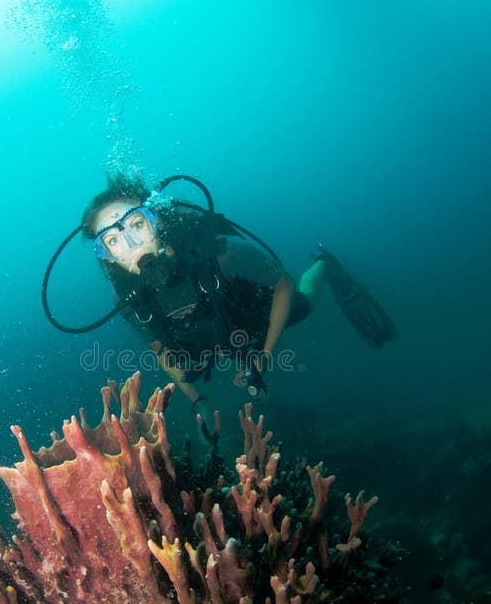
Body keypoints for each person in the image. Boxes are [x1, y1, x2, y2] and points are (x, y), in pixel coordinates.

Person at [80, 172, 396, 433]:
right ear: (107, 258)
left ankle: (324, 266)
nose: (132, 244)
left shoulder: (217, 252)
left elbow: (282, 284)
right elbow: (160, 350)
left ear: (157, 221)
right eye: (112, 240)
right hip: (206, 341)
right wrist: (196, 400)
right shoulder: (127, 299)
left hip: (257, 316)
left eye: (137, 224)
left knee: (305, 304)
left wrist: (264, 356)